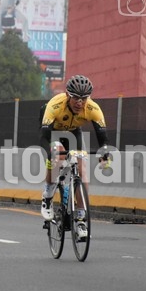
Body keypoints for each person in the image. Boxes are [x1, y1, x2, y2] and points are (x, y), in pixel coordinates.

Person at [39, 75, 111, 240]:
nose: (80, 102)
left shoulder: (93, 109)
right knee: (57, 155)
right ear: (67, 95)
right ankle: (48, 195)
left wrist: (104, 155)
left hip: (73, 132)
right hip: (52, 132)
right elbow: (44, 137)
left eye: (84, 98)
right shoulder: (55, 105)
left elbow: (103, 139)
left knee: (82, 168)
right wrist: (50, 153)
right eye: (76, 98)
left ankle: (80, 218)